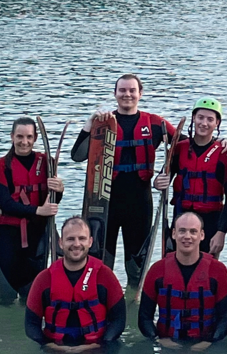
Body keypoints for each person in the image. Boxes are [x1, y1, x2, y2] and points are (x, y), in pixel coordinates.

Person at [70, 73, 175, 286]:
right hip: (106, 205)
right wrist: (89, 124)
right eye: (122, 90)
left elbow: (187, 148)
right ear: (115, 94)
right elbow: (77, 156)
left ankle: (133, 308)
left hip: (139, 204)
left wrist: (166, 175)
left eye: (132, 90)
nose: (127, 95)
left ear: (140, 94)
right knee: (101, 266)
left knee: (136, 268)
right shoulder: (103, 123)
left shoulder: (155, 124)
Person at [25, 216, 126, 351]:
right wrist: (48, 346)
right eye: (70, 239)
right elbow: (31, 324)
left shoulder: (105, 275)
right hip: (55, 350)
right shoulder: (44, 279)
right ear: (61, 243)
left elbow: (119, 319)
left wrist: (102, 344)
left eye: (82, 238)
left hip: (97, 349)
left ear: (90, 242)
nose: (77, 244)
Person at [0, 117, 64, 302]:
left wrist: (59, 190)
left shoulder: (47, 162)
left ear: (35, 138)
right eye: (20, 136)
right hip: (8, 240)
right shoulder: (1, 166)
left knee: (32, 299)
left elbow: (52, 202)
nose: (24, 142)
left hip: (37, 240)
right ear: (12, 137)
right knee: (6, 301)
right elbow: (5, 203)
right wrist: (39, 211)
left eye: (29, 137)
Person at [138, 211, 227, 350]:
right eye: (182, 231)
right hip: (167, 344)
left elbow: (225, 318)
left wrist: (209, 342)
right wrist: (158, 340)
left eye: (193, 231)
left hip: (207, 345)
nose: (187, 237)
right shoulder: (157, 270)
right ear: (174, 234)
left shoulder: (218, 271)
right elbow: (144, 317)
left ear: (202, 235)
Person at [153, 97, 227, 256]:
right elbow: (162, 178)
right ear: (193, 119)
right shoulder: (179, 148)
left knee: (207, 269)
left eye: (210, 119)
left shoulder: (224, 154)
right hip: (181, 215)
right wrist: (158, 183)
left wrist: (221, 232)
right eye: (200, 117)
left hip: (211, 220)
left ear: (217, 123)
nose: (204, 123)